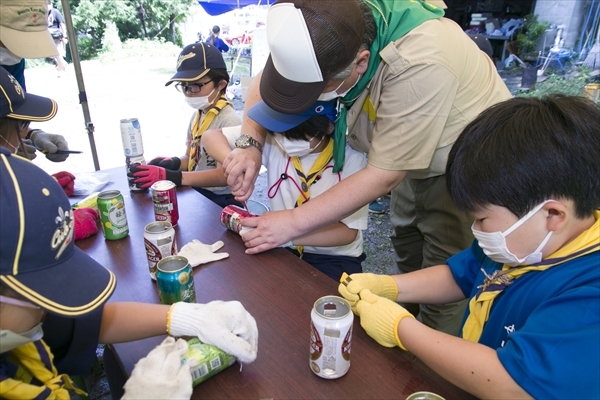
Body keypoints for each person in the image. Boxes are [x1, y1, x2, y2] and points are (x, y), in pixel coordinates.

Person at [220, 0, 512, 335]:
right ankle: (404, 343)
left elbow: (384, 175)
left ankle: (432, 366)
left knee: (446, 280)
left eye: (312, 94)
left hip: (459, 170)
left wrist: (292, 223)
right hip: (404, 160)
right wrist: (250, 144)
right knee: (408, 255)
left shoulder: (420, 61)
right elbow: (266, 82)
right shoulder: (326, 28)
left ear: (360, 63)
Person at [337, 95, 600, 399]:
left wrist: (401, 327)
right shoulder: (522, 244)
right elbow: (460, 276)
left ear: (553, 214)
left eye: (482, 218)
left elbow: (513, 383)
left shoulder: (589, 293)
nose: (476, 231)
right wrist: (388, 286)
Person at [0, 151, 259, 398]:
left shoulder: (20, 321)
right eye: (39, 293)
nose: (49, 307)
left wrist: (187, 317)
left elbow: (83, 322)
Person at [203, 100, 368, 281]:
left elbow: (348, 232)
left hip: (333, 257)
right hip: (282, 246)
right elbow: (211, 136)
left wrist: (287, 236)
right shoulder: (275, 141)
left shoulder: (353, 160)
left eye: (296, 135)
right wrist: (239, 162)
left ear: (328, 125)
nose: (285, 140)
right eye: (280, 133)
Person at [130, 42, 242, 208]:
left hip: (221, 200)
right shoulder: (199, 115)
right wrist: (172, 163)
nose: (189, 92)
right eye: (184, 86)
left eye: (195, 85)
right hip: (198, 191)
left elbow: (224, 176)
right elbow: (193, 159)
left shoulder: (228, 121)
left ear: (221, 84)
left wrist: (174, 177)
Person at [0, 0, 71, 162]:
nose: (17, 52)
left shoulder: (11, 60)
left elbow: (12, 111)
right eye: (14, 39)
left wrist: (32, 134)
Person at [46, 0, 68, 74]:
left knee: (59, 54)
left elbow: (62, 25)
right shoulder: (43, 13)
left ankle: (62, 70)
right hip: (48, 38)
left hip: (57, 37)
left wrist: (64, 37)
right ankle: (61, 68)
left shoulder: (55, 12)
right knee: (53, 55)